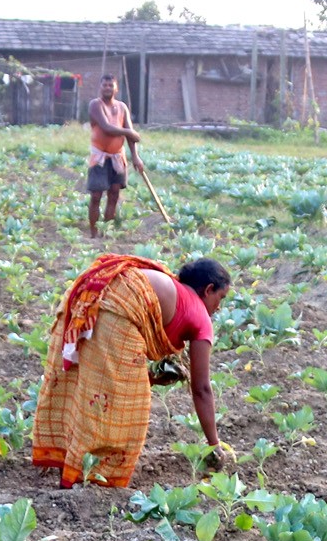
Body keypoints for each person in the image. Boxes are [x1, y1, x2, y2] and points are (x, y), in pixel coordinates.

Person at [33, 254, 229, 489]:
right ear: (208, 290)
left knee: (87, 387)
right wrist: (214, 443)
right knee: (130, 408)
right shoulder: (200, 315)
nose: (219, 307)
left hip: (91, 295)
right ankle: (98, 478)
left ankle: (73, 463)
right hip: (116, 310)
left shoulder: (175, 291)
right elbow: (202, 389)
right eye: (221, 297)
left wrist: (154, 376)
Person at [86, 75, 140, 236]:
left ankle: (106, 232)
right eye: (105, 85)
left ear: (116, 88)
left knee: (114, 194)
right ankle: (94, 233)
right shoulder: (95, 105)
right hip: (100, 158)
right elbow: (106, 127)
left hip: (117, 157)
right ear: (100, 87)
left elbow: (130, 138)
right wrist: (129, 131)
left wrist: (135, 156)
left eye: (111, 85)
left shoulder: (122, 107)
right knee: (96, 196)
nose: (108, 88)